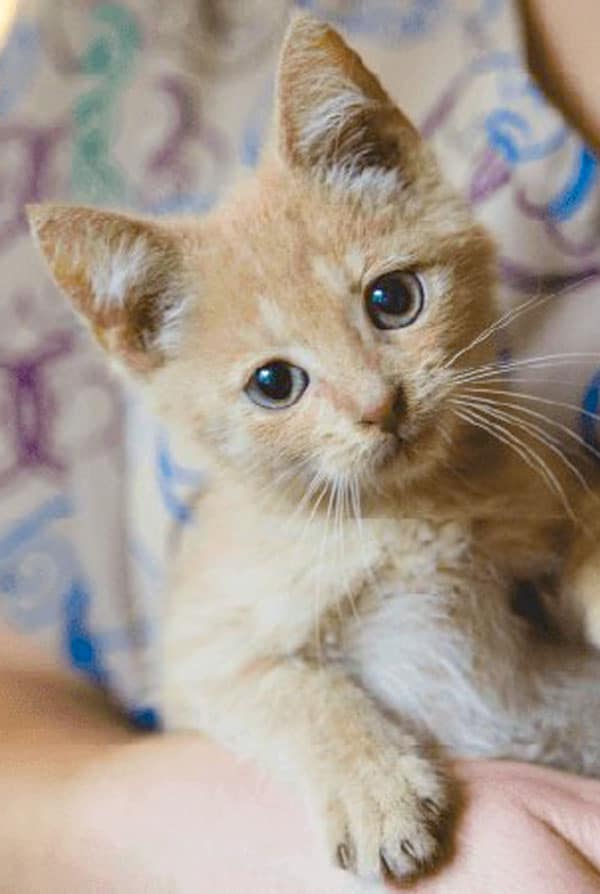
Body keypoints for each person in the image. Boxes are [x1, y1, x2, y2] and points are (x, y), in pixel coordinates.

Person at [2, 0, 600, 890]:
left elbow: (572, 529)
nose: (375, 400)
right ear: (144, 341)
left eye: (392, 301)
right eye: (276, 384)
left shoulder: (506, 459)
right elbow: (218, 675)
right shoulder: (259, 549)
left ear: (394, 159)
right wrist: (341, 756)